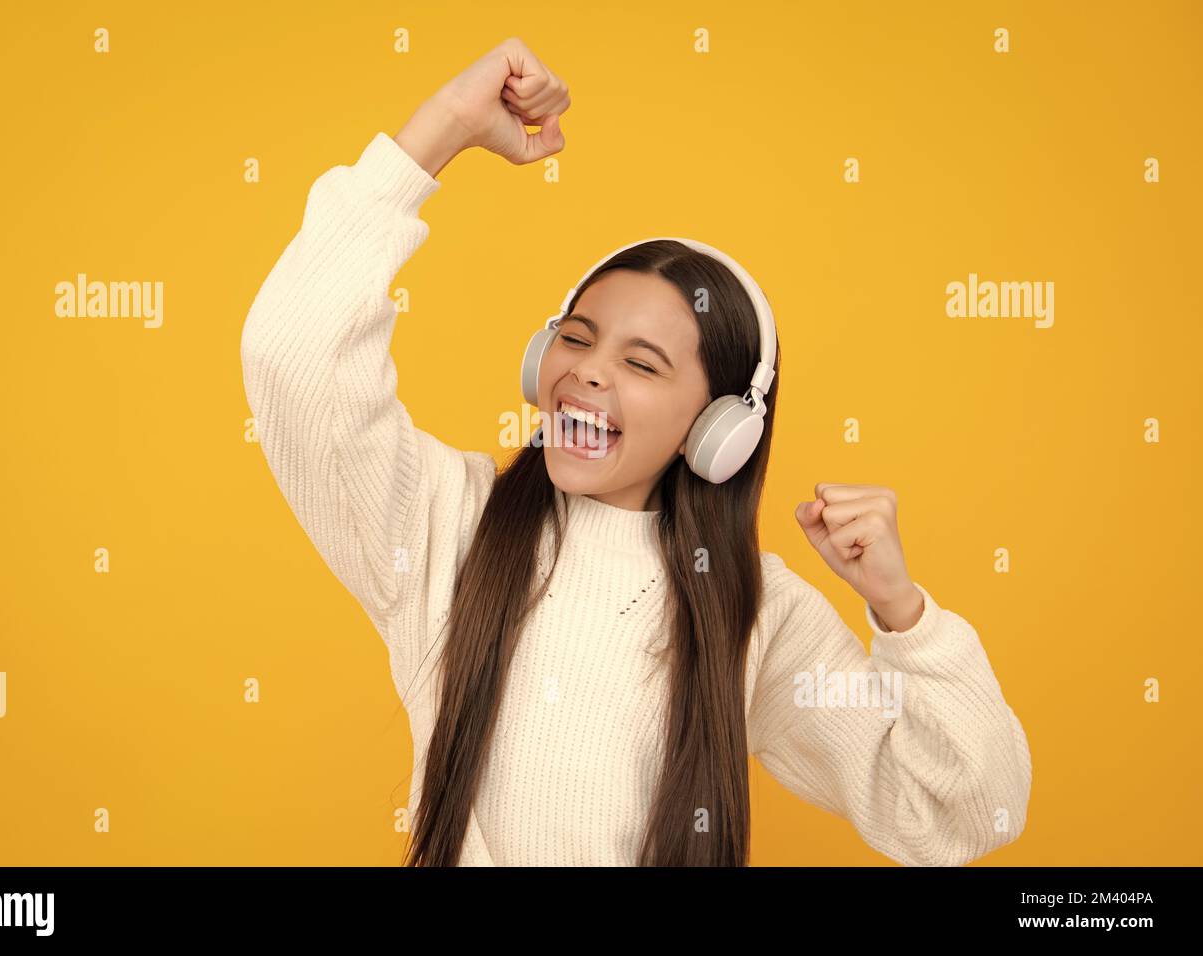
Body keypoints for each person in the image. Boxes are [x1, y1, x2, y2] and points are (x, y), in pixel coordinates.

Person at [240, 37, 1032, 867]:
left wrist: (902, 612)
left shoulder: (752, 610)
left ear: (718, 430)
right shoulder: (444, 522)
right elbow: (294, 356)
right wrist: (443, 130)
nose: (586, 371)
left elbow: (962, 814)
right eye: (575, 338)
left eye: (642, 363)